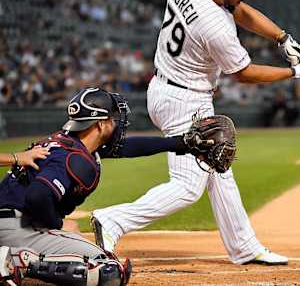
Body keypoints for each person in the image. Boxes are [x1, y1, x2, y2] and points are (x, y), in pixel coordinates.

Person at [91, 0, 300, 266]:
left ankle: (244, 247)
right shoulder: (215, 27)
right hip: (186, 102)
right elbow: (243, 73)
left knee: (219, 170)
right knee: (188, 187)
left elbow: (240, 11)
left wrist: (282, 38)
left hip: (166, 88)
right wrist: (293, 72)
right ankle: (114, 220)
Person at [0, 87, 217, 286]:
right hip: (20, 228)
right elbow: (38, 196)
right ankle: (19, 260)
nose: (118, 124)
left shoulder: (67, 143)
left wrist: (182, 144)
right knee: (107, 269)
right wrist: (57, 223)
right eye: (113, 119)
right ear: (101, 124)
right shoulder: (75, 158)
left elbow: (129, 147)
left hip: (10, 222)